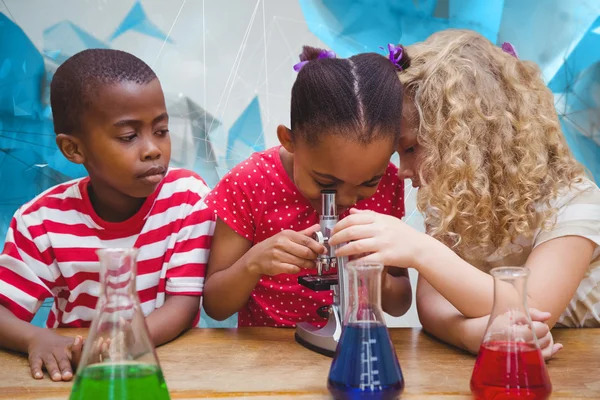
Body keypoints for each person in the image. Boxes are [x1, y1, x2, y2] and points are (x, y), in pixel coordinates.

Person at [330, 29, 600, 359]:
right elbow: (432, 304)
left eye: (412, 148)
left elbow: (530, 307)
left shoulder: (575, 203)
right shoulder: (454, 201)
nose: (401, 170)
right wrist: (469, 334)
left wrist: (420, 250)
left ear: (468, 139)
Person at [0, 49, 215, 381]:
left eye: (161, 130)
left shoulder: (187, 198)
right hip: (78, 373)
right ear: (74, 149)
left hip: (169, 369)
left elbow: (182, 306)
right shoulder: (40, 221)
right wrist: (36, 337)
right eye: (129, 136)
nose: (153, 149)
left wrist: (120, 343)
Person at [203, 45, 412, 327]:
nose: (348, 200)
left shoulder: (389, 181)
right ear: (289, 141)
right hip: (267, 355)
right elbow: (215, 305)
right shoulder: (249, 183)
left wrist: (377, 273)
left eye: (367, 183)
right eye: (326, 182)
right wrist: (253, 263)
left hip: (352, 345)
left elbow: (399, 304)